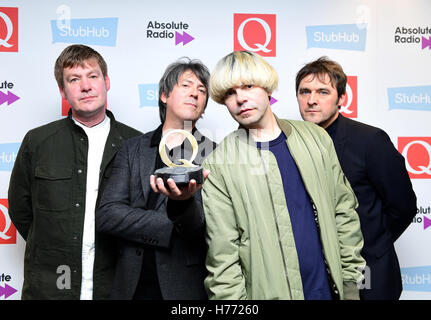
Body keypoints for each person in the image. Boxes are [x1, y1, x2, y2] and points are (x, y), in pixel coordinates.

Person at [202, 51, 365, 300]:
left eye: (248, 86)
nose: (240, 99)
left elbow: (344, 214)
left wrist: (351, 286)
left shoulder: (316, 138)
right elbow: (223, 257)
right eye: (230, 93)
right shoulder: (219, 164)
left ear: (267, 88)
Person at [8, 44, 142, 299]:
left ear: (106, 81)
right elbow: (20, 210)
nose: (86, 86)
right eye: (74, 79)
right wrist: (58, 246)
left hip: (115, 286)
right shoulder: (37, 142)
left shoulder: (136, 144)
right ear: (62, 90)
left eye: (93, 76)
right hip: (50, 288)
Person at [296, 56, 417, 300]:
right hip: (317, 276)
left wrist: (370, 243)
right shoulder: (293, 144)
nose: (311, 100)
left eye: (322, 91)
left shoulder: (370, 141)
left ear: (341, 98)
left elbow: (403, 207)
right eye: (304, 91)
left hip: (369, 272)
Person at [95, 57, 216, 300]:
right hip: (130, 285)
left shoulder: (213, 153)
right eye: (186, 85)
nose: (195, 93)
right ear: (164, 95)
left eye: (202, 90)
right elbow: (107, 214)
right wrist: (170, 226)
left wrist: (182, 208)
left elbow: (205, 226)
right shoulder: (133, 149)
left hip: (183, 289)